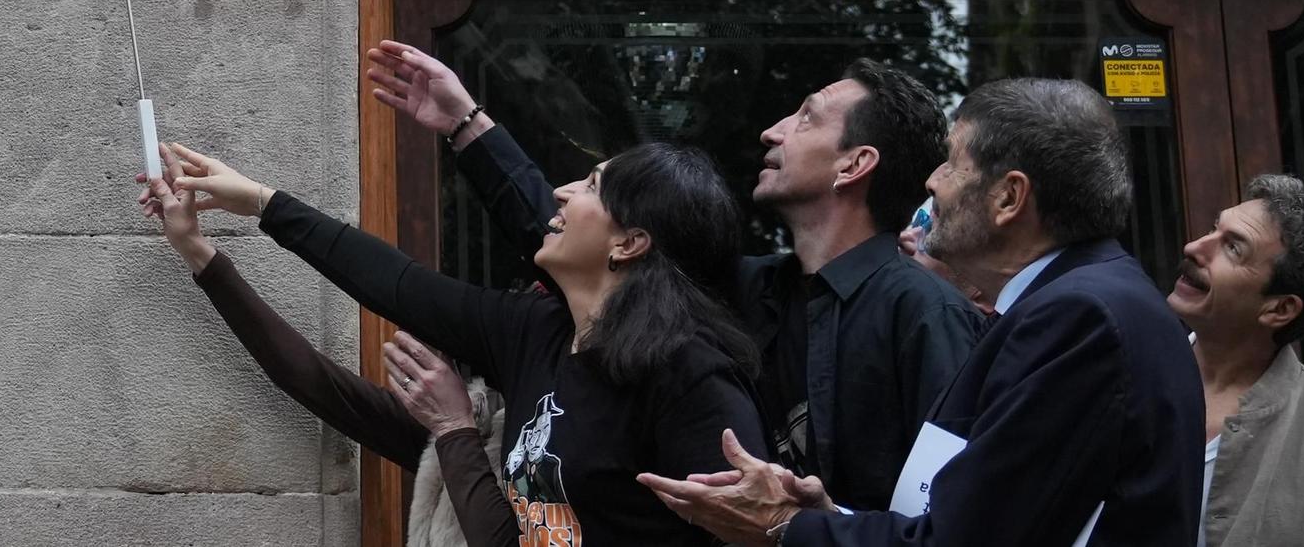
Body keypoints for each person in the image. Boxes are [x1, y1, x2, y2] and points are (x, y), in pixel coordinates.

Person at [368, 39, 982, 511]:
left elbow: (961, 516)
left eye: (806, 117)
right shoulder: (748, 290)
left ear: (855, 164)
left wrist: (825, 525)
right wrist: (466, 124)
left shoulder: (927, 315)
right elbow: (595, 237)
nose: (773, 130)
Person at [638, 76, 1206, 546]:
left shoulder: (1080, 316)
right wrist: (833, 518)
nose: (932, 181)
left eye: (953, 165)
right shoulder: (1088, 300)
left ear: (1009, 198)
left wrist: (783, 525)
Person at [163, 136, 769, 546]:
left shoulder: (693, 380)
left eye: (590, 184)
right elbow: (398, 285)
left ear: (630, 242)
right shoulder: (537, 332)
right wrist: (262, 204)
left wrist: (454, 428)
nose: (561, 192)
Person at [136, 143, 509, 547]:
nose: (565, 194)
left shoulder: (551, 446)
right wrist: (197, 250)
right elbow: (314, 381)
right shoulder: (481, 430)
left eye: (589, 185)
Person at [1171, 173, 1304, 547]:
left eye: (1233, 248)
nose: (1194, 247)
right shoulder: (1125, 372)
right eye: (1213, 230)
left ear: (1280, 309)